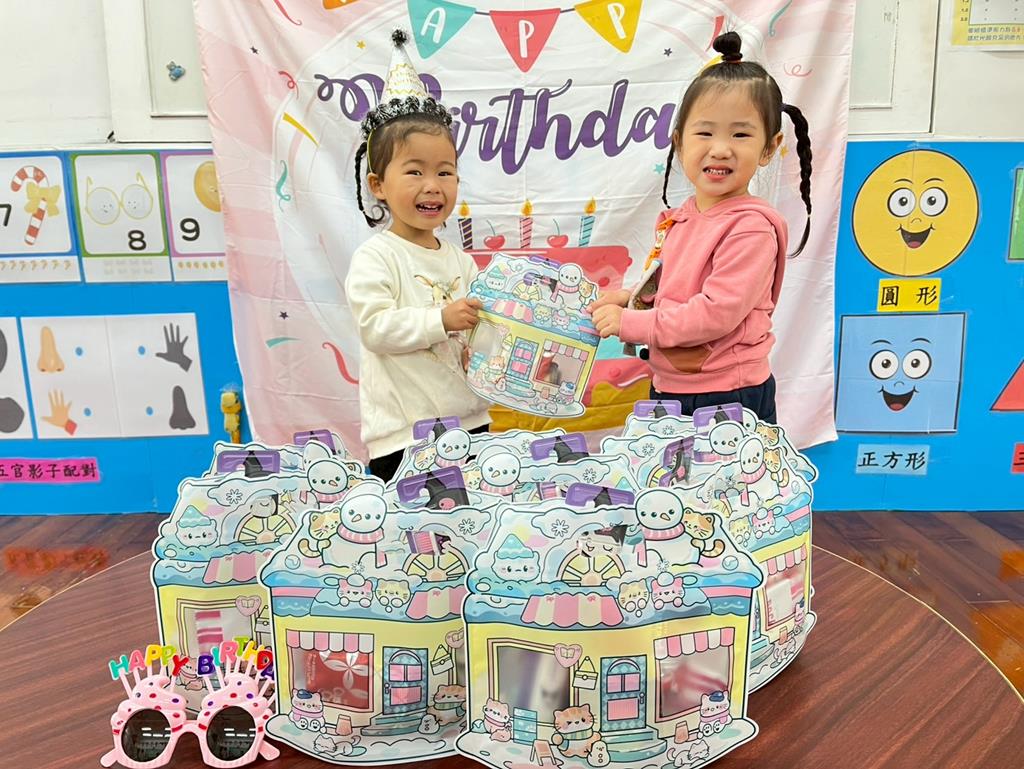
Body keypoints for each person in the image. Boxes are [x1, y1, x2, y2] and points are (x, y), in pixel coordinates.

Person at [588, 32, 812, 425]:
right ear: (679, 142)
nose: (720, 148)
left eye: (740, 134)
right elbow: (673, 285)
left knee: (726, 470)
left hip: (727, 393)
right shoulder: (683, 216)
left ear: (769, 147)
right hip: (672, 384)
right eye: (705, 132)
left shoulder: (750, 228)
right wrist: (629, 298)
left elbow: (714, 313)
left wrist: (630, 324)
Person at [345, 30, 490, 482]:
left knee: (474, 520)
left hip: (471, 424)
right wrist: (441, 319)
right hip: (405, 437)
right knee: (412, 527)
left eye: (445, 172)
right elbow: (375, 328)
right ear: (378, 185)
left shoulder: (461, 261)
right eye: (414, 172)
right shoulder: (376, 257)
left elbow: (480, 332)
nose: (433, 185)